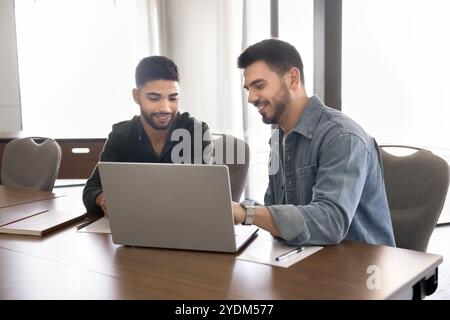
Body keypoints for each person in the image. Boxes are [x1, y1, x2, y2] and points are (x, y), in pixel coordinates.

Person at [233, 39, 395, 247]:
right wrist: (235, 209)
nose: (251, 98)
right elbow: (274, 209)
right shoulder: (278, 138)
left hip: (362, 269)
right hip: (306, 260)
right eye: (248, 89)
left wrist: (247, 213)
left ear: (293, 79)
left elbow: (330, 222)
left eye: (259, 86)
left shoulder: (342, 136)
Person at [83, 56, 212, 215]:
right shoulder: (121, 135)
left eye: (173, 98)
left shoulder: (196, 132)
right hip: (133, 227)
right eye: (154, 98)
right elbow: (92, 188)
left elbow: (202, 195)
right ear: (137, 96)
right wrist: (104, 199)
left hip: (184, 226)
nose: (165, 107)